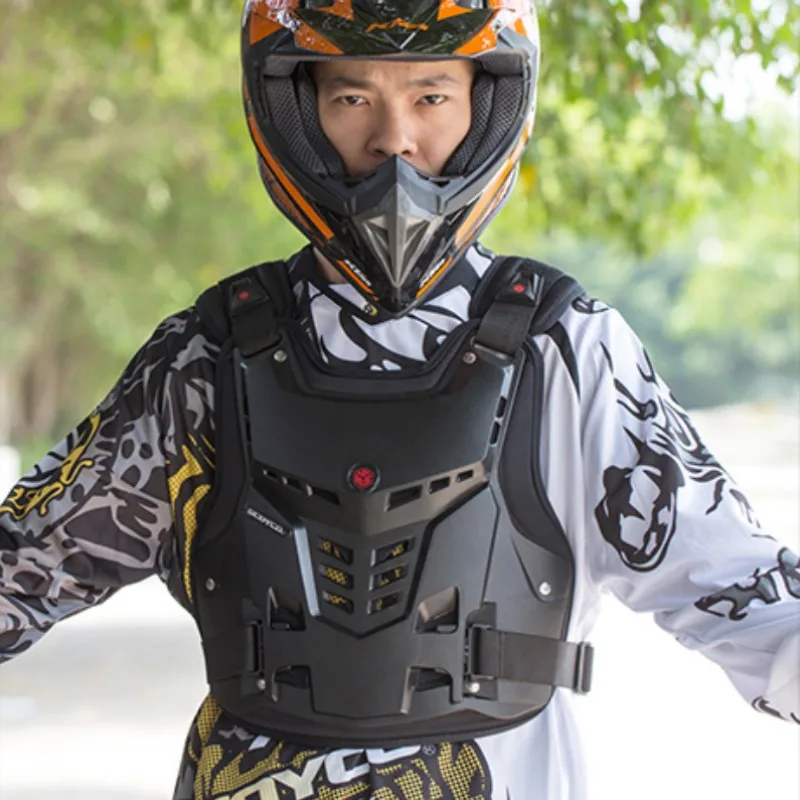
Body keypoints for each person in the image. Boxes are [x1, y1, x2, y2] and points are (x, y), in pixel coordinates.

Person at [1, 0, 798, 797]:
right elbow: (25, 565)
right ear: (295, 109)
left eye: (431, 95)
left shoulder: (568, 349)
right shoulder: (205, 355)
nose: (394, 139)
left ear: (488, 104)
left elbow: (742, 590)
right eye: (353, 97)